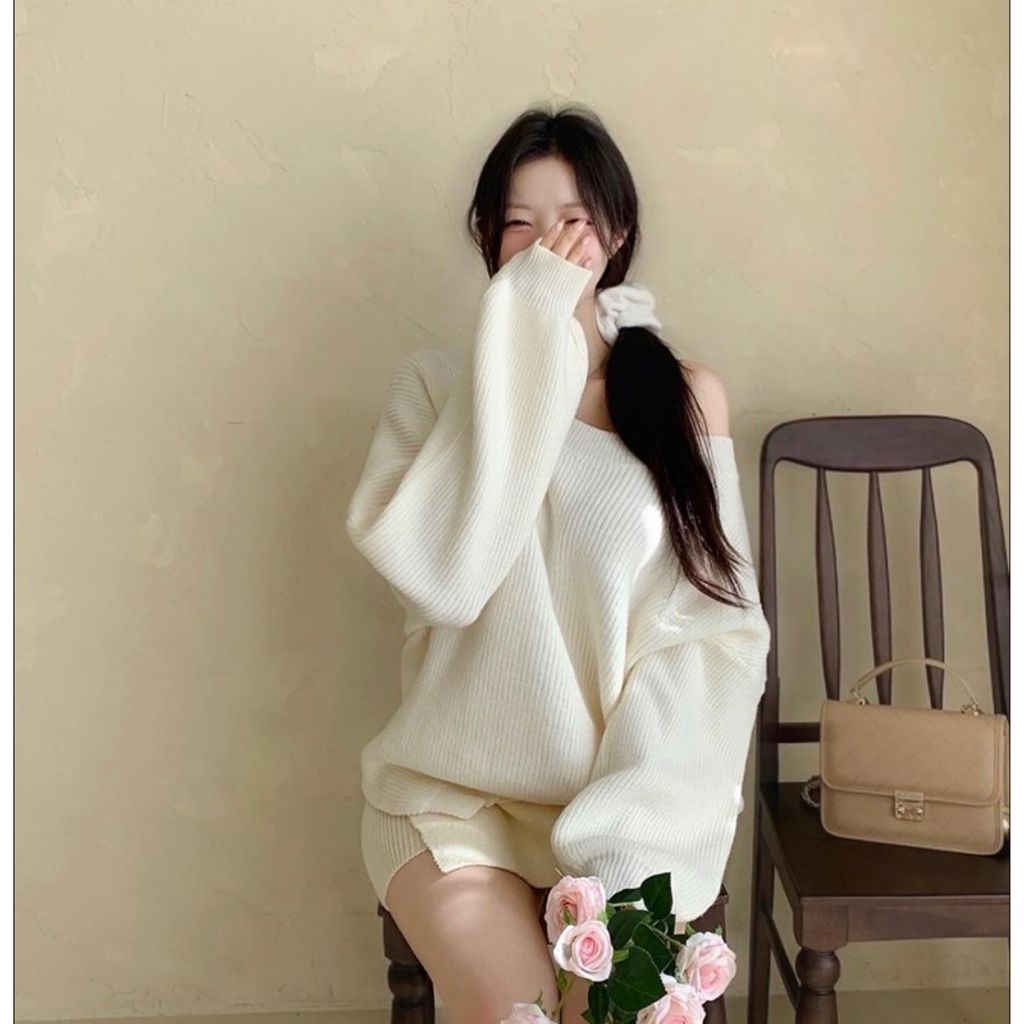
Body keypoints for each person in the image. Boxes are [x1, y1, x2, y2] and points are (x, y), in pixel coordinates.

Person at [345, 103, 772, 1024]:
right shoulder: (436, 392)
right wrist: (529, 326)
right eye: (519, 224)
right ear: (486, 240)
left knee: (611, 1013)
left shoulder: (683, 399)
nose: (548, 245)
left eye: (573, 220)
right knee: (522, 1013)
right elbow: (445, 580)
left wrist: (626, 847)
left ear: (615, 236)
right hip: (453, 799)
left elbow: (709, 638)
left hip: (629, 797)